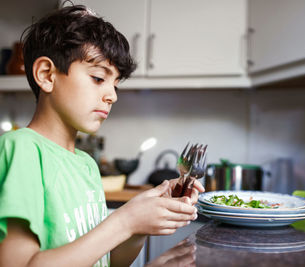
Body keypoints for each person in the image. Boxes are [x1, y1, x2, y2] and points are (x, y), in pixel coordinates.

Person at [0, 4, 204, 267]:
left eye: (115, 84)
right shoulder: (21, 150)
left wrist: (139, 224)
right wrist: (125, 220)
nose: (112, 95)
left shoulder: (86, 165)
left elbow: (108, 261)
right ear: (47, 75)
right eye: (98, 78)